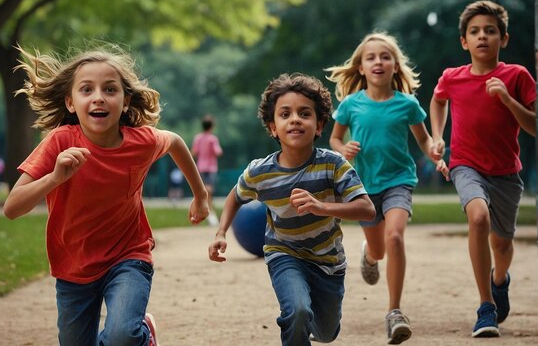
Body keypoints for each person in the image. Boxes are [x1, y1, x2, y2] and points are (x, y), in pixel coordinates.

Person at [3, 45, 210, 346]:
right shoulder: (60, 142)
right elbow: (11, 208)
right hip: (74, 265)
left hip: (129, 256)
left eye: (109, 89)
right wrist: (54, 178)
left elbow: (175, 142)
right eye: (86, 89)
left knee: (122, 336)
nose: (98, 96)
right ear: (70, 103)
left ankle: (139, 336)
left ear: (125, 102)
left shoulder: (141, 142)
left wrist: (200, 195)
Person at [208, 73, 375, 346]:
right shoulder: (260, 172)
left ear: (319, 125)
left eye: (304, 113)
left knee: (325, 332)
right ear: (273, 127)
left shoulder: (333, 165)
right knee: (297, 312)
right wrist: (221, 232)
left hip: (328, 261)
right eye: (285, 114)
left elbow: (366, 209)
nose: (295, 119)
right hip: (284, 254)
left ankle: (311, 329)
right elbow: (235, 197)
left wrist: (322, 207)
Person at [326, 32, 448, 344]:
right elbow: (334, 139)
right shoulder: (351, 104)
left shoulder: (407, 104)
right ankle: (370, 255)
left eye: (385, 56)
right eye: (371, 57)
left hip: (399, 180)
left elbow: (422, 139)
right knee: (379, 248)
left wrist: (433, 150)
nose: (378, 61)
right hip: (364, 187)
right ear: (361, 68)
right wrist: (343, 149)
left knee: (394, 236)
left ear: (395, 66)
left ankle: (395, 311)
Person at [430, 0, 536, 338]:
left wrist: (507, 99)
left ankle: (499, 280)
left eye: (490, 31)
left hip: (506, 172)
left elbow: (535, 126)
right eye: (474, 32)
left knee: (502, 246)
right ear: (464, 41)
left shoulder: (517, 76)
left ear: (503, 39)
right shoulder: (453, 77)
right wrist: (437, 136)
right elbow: (437, 99)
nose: (482, 37)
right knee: (478, 218)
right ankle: (485, 306)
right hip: (466, 165)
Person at [192, 115, 223, 226]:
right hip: (210, 168)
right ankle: (210, 213)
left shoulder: (198, 138)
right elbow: (218, 152)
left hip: (200, 167)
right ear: (212, 127)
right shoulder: (212, 139)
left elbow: (194, 152)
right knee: (208, 190)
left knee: (204, 191)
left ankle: (208, 212)